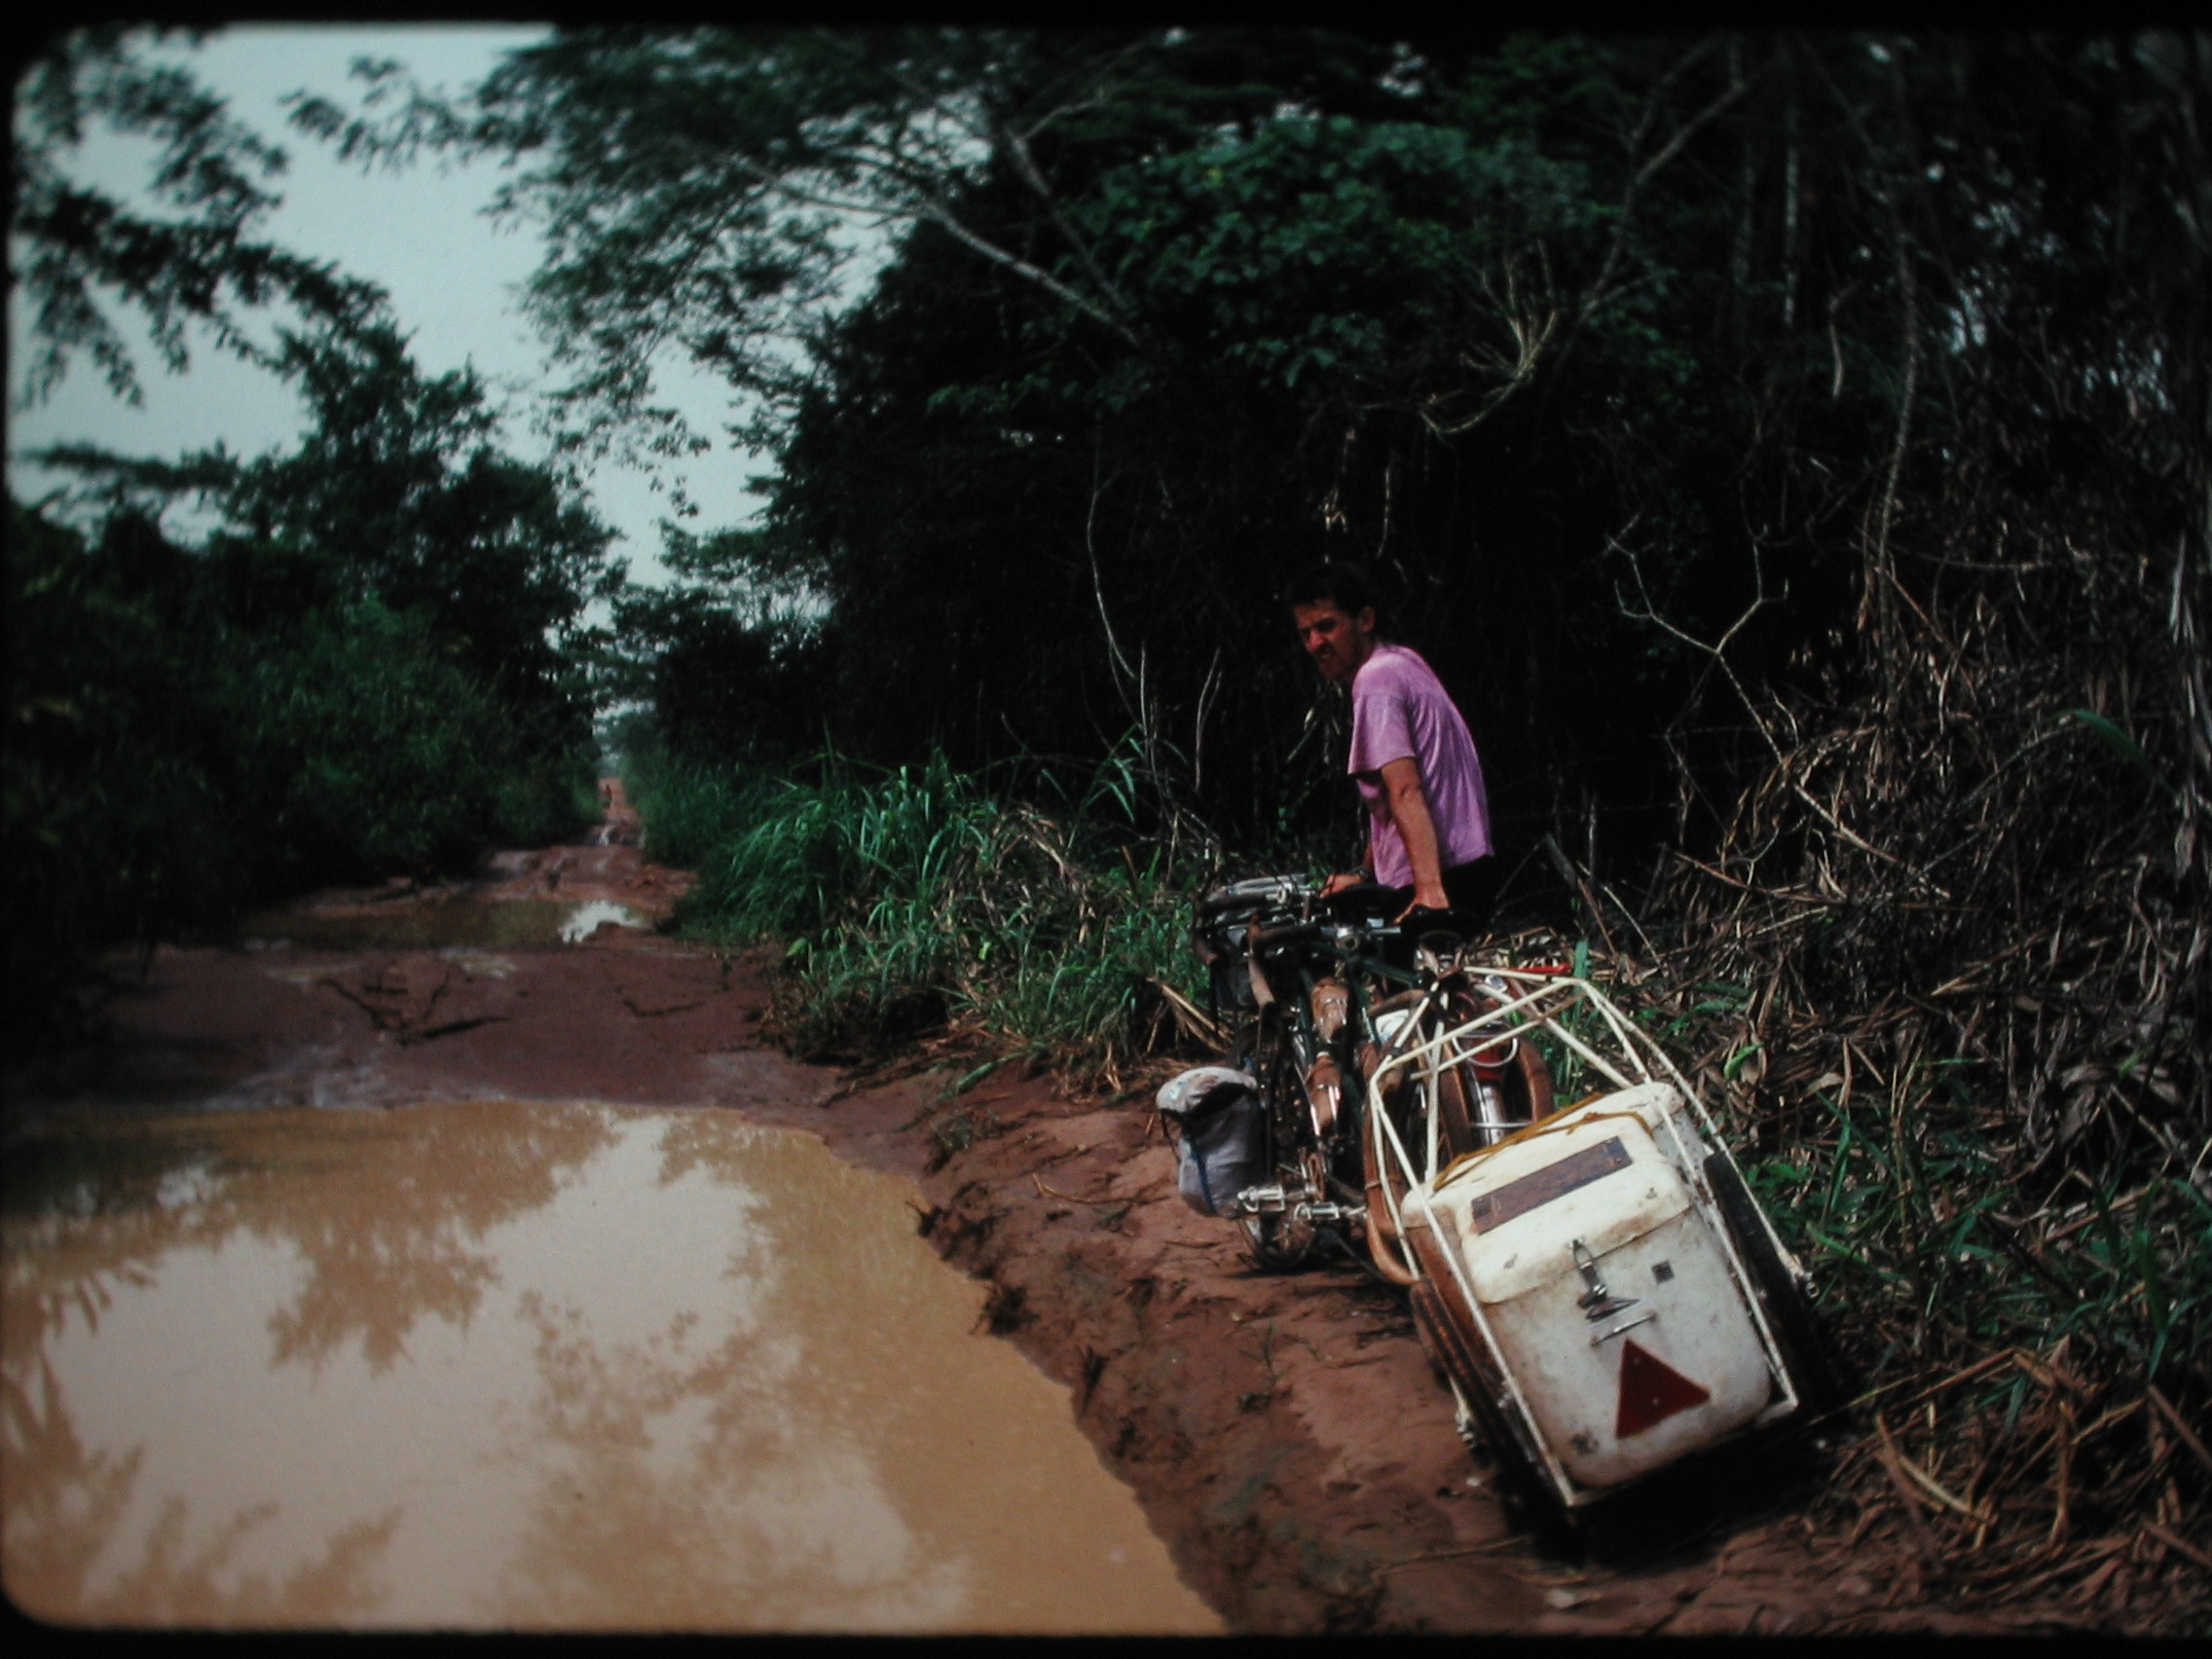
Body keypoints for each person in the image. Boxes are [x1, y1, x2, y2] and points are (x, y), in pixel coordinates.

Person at [1286, 561, 1498, 933]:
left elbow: (1405, 788)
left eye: (1327, 626)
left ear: (1365, 620)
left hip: (1443, 881)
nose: (1316, 643)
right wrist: (1364, 874)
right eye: (1307, 634)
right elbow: (1389, 802)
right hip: (1470, 870)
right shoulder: (1403, 662)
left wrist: (1429, 892)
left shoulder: (1376, 680)